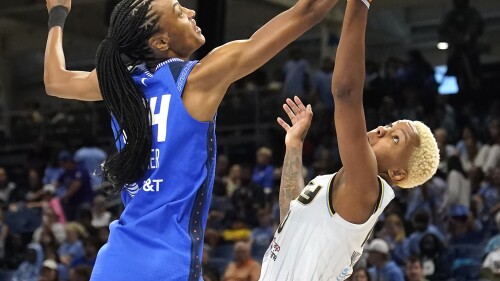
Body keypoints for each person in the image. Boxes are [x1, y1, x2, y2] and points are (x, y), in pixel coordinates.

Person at [44, 0, 342, 279]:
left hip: (114, 261)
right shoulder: (199, 79)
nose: (191, 11)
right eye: (178, 11)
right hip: (168, 264)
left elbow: (55, 81)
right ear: (160, 42)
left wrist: (58, 12)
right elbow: (308, 11)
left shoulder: (118, 84)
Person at [259, 0, 440, 279]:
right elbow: (290, 216)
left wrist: (360, 4)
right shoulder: (334, 187)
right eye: (390, 125)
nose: (381, 130)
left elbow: (345, 93)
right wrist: (294, 146)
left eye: (395, 139)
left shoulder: (367, 187)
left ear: (398, 173)